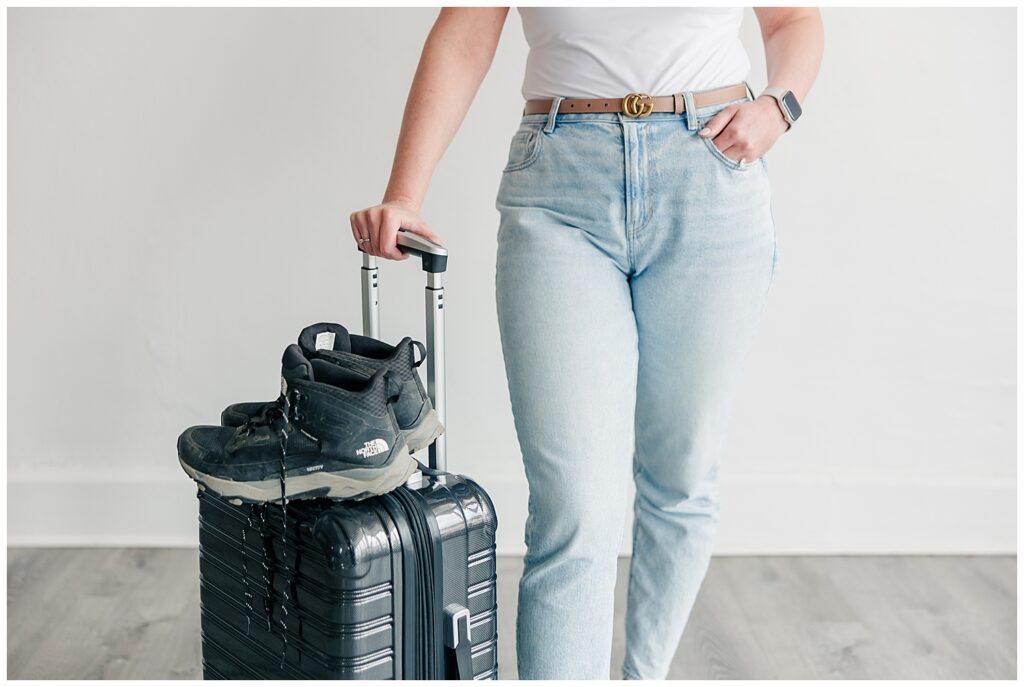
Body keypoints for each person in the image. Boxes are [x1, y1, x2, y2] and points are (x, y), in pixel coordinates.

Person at [350, 7, 823, 680]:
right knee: (574, 505)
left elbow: (795, 18)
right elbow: (464, 35)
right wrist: (405, 192)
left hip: (711, 170)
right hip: (559, 182)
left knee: (680, 476)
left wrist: (781, 104)